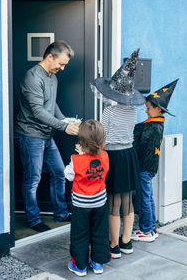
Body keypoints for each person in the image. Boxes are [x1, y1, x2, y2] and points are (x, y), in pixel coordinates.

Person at [15, 41, 80, 232]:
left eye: (65, 65)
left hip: (46, 135)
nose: (62, 68)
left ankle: (60, 213)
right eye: (61, 63)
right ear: (49, 56)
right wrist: (63, 127)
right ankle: (33, 220)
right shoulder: (32, 77)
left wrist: (66, 120)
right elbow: (37, 111)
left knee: (59, 173)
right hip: (29, 136)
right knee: (32, 178)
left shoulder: (53, 77)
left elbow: (52, 106)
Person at [92, 49, 145, 258]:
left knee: (113, 201)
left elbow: (102, 136)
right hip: (129, 155)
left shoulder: (109, 111)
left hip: (113, 156)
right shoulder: (133, 111)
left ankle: (113, 245)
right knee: (127, 200)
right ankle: (127, 241)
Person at [131, 79, 178, 242]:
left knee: (145, 197)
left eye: (148, 108)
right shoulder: (157, 124)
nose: (145, 110)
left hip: (145, 167)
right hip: (150, 167)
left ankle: (145, 230)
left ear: (158, 109)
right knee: (148, 196)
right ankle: (150, 228)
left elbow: (141, 147)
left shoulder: (152, 126)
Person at [64, 119, 110, 277]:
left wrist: (80, 155)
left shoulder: (76, 160)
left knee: (80, 233)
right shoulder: (105, 156)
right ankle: (98, 263)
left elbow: (68, 175)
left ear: (81, 142)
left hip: (81, 203)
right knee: (100, 231)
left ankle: (80, 266)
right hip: (99, 201)